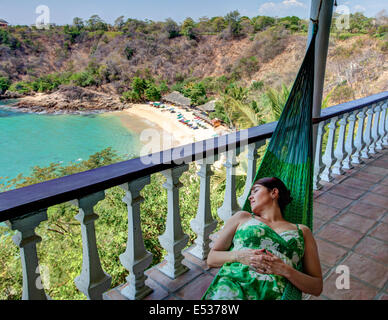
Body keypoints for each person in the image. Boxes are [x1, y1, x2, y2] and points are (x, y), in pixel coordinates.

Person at [202, 177, 322, 300]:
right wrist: (239, 256)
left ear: (274, 192)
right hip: (232, 289)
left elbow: (317, 287)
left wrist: (285, 270)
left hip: (276, 294)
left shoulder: (302, 231)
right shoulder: (243, 217)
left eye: (255, 191)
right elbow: (211, 258)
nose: (250, 197)